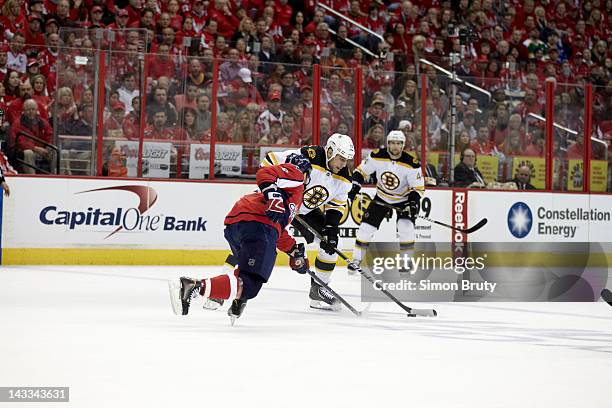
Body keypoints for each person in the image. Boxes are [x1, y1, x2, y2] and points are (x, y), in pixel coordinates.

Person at [169, 154, 312, 323]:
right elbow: (264, 173)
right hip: (258, 224)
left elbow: (277, 230)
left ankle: (238, 298)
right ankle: (192, 286)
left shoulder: (287, 192)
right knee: (250, 283)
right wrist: (273, 196)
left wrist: (294, 250)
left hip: (239, 224)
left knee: (247, 276)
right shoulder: (296, 175)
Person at [248, 134, 354, 310]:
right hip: (282, 202)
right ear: (330, 151)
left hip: (305, 212)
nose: (343, 164)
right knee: (255, 236)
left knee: (334, 243)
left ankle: (319, 289)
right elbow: (270, 160)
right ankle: (222, 282)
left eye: (347, 160)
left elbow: (337, 204)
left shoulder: (344, 178)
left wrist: (331, 228)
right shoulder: (309, 155)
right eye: (341, 159)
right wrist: (273, 193)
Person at [348, 130, 424, 273]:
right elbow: (360, 172)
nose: (395, 146)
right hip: (382, 197)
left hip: (403, 199)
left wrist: (412, 203)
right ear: (388, 144)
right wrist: (355, 186)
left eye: (399, 143)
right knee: (365, 228)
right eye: (393, 143)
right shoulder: (377, 156)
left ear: (403, 145)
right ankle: (356, 260)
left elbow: (418, 188)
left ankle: (406, 262)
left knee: (405, 227)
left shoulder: (412, 163)